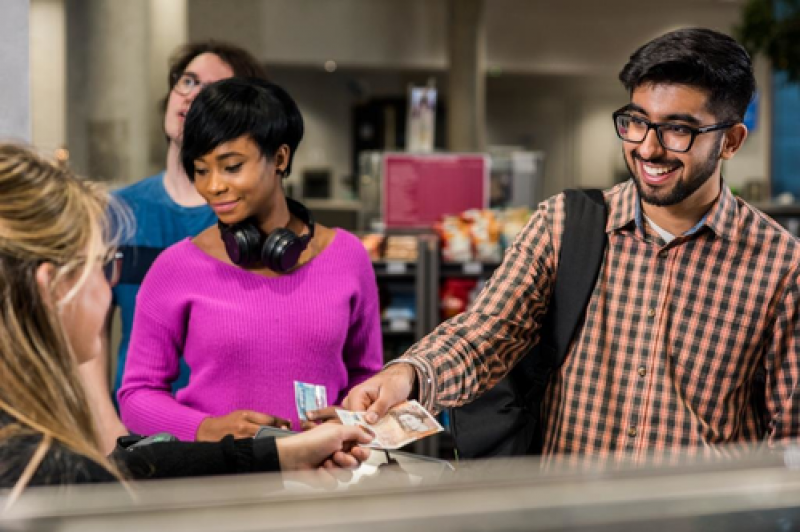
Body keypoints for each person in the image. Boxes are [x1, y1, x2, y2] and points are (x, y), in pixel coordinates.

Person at [345, 28, 800, 469]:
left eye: (678, 130)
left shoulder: (781, 267)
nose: (647, 147)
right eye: (637, 122)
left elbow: (789, 437)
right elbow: (486, 334)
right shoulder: (564, 225)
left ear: (731, 141)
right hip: (566, 512)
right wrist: (408, 374)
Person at [0, 144, 373, 504]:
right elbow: (118, 461)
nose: (110, 283)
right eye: (101, 265)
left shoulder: (38, 452)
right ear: (52, 287)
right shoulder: (49, 472)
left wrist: (278, 455)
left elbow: (126, 470)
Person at [118, 77, 383, 442]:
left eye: (231, 166)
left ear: (279, 158)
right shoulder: (175, 267)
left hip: (326, 481)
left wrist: (352, 415)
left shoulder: (348, 256)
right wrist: (208, 429)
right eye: (200, 169)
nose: (213, 186)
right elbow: (136, 396)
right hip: (218, 484)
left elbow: (368, 377)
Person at [78, 41, 269, 453]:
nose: (191, 95)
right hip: (133, 433)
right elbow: (88, 341)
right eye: (188, 80)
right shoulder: (116, 211)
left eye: (213, 89)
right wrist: (109, 432)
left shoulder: (254, 221)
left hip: (224, 441)